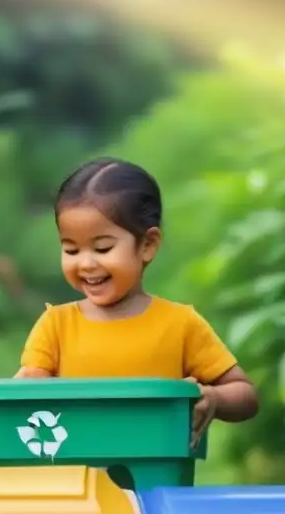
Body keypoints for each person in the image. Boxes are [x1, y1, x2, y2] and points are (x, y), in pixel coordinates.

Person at [14, 156, 259, 445]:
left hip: (155, 476)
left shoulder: (179, 325)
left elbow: (245, 394)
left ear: (147, 245)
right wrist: (28, 388)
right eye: (71, 250)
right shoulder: (56, 326)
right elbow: (28, 392)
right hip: (73, 481)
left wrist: (214, 398)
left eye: (102, 248)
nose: (86, 263)